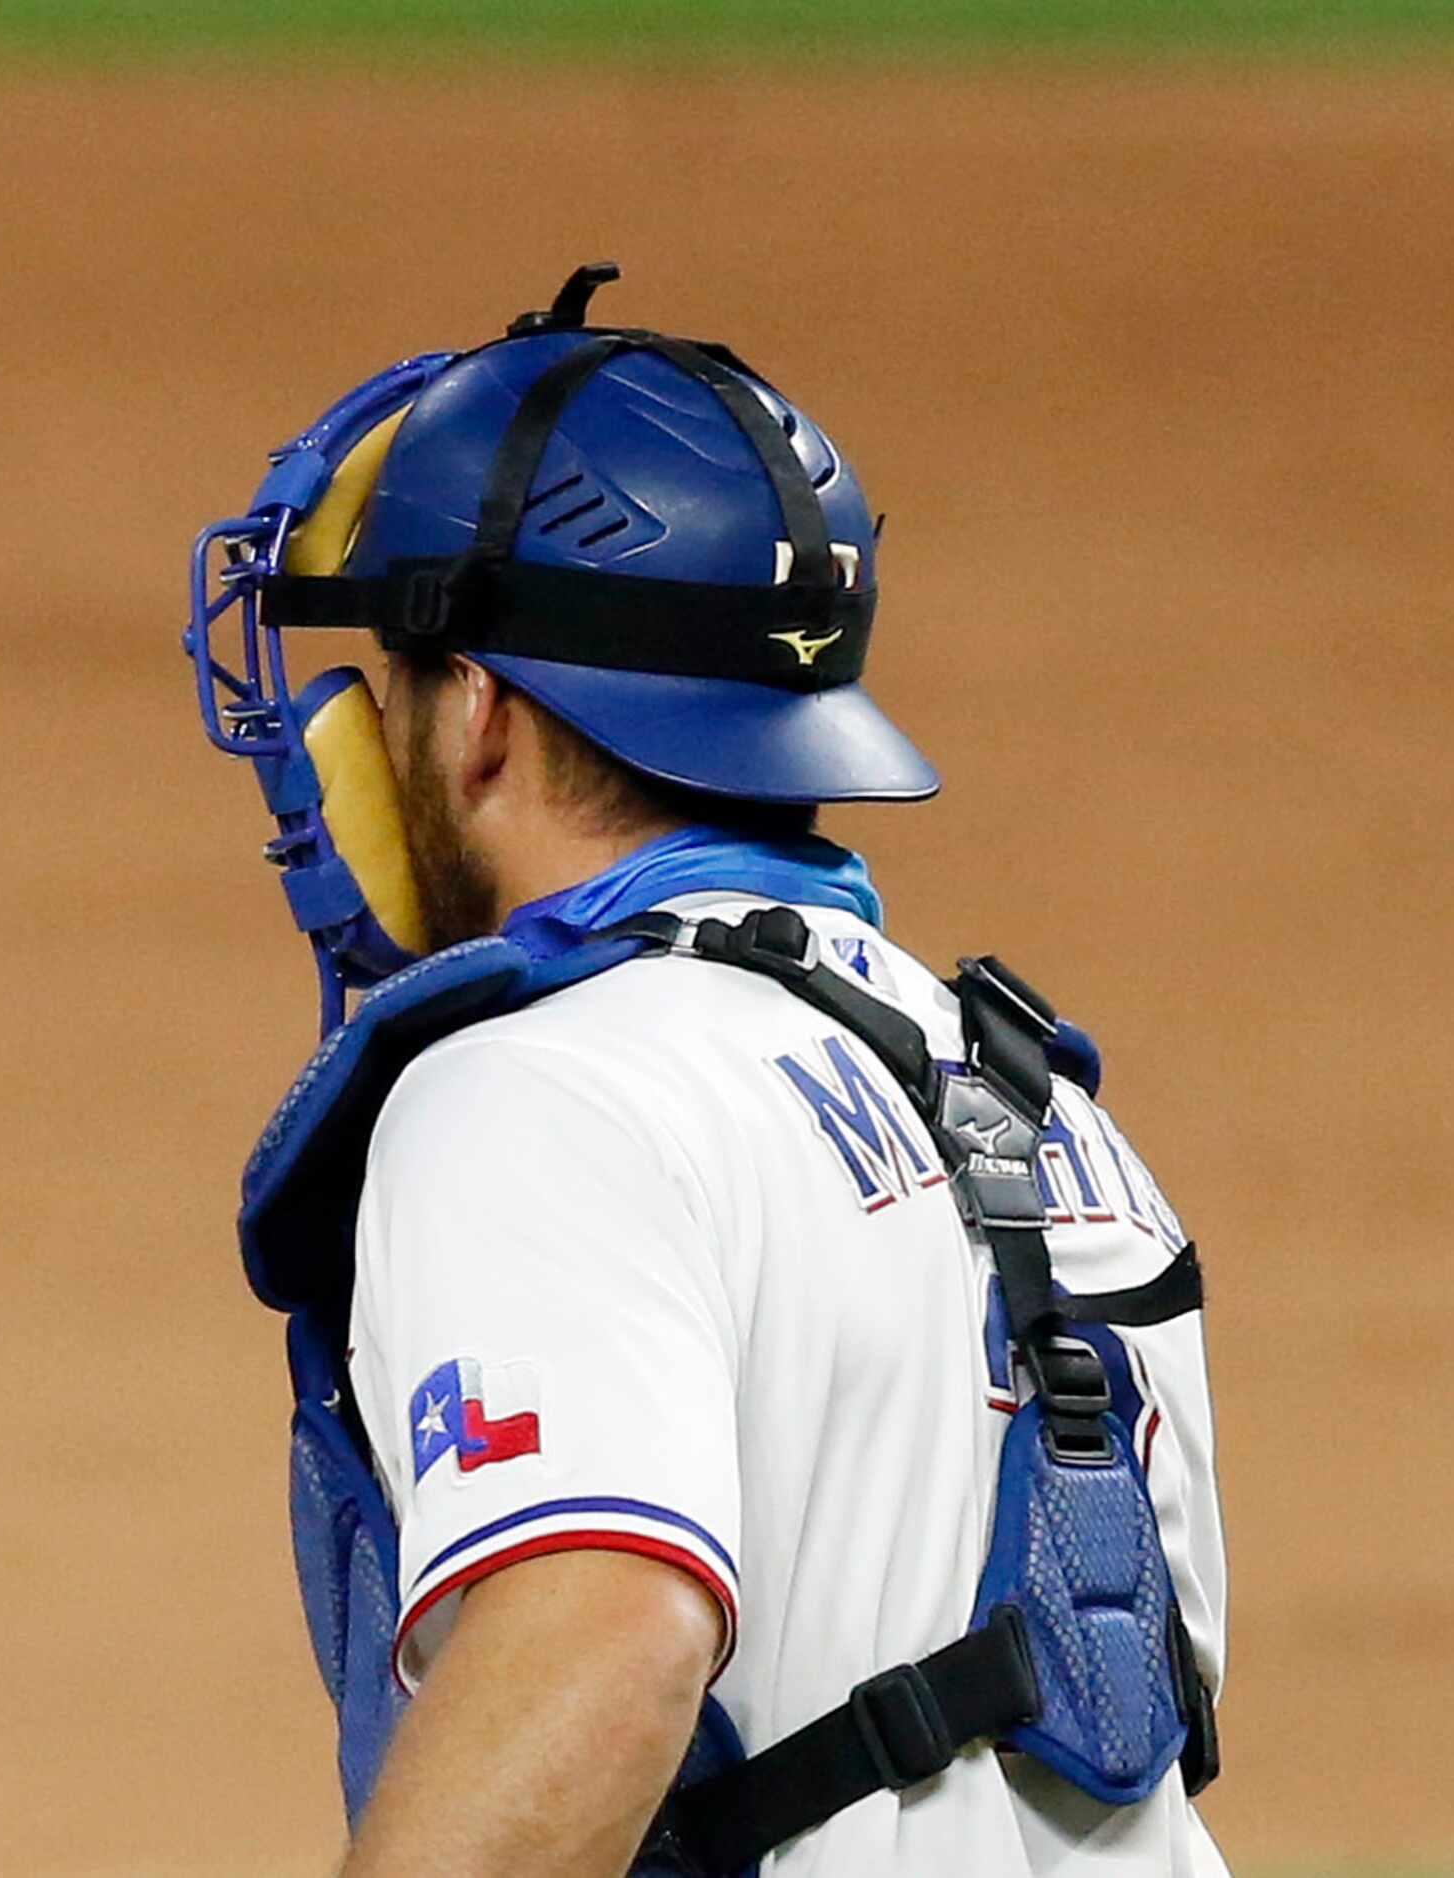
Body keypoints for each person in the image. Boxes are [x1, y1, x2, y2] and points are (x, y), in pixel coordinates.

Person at [184, 265, 1227, 1875]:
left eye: (383, 679)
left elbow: (601, 1642)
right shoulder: (1043, 1109)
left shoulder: (542, 1098)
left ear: (476, 713)